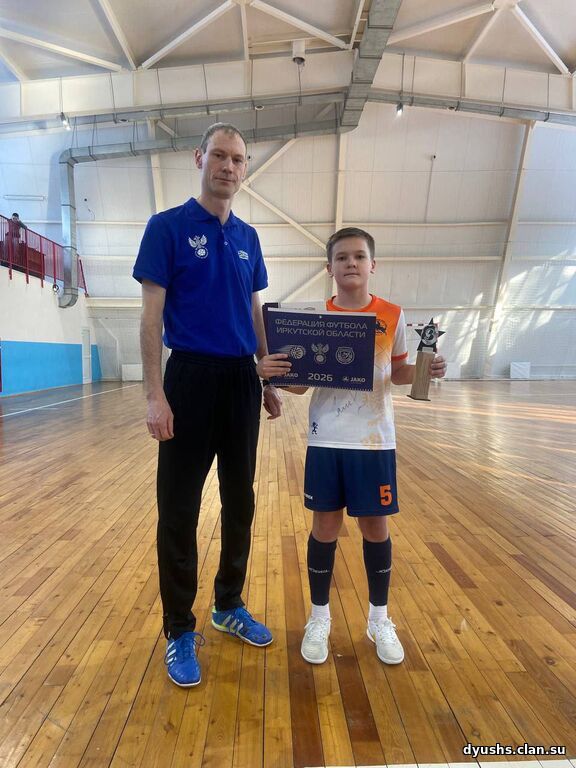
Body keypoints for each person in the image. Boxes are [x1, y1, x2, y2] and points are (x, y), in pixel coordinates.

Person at [133, 122, 290, 688]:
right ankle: (179, 628)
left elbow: (254, 311)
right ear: (200, 158)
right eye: (219, 155)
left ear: (245, 168)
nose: (228, 166)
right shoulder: (167, 227)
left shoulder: (248, 236)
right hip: (189, 378)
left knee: (240, 502)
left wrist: (266, 378)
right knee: (178, 510)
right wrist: (155, 394)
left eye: (238, 159)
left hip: (241, 381)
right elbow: (151, 317)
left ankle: (228, 604)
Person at [277, 227, 446, 666]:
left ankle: (379, 619)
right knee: (325, 527)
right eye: (341, 257)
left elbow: (398, 371)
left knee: (376, 528)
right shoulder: (314, 317)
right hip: (326, 438)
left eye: (358, 256)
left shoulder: (392, 314)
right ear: (329, 268)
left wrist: (427, 367)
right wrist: (274, 375)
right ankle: (319, 618)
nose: (350, 263)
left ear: (373, 265)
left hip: (375, 441)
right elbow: (299, 386)